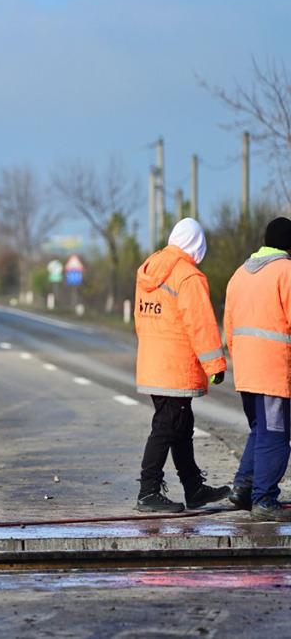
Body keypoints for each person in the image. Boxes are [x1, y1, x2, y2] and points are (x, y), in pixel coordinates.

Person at [133, 217, 231, 513]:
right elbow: (200, 325)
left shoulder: (148, 270)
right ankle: (148, 491)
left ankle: (193, 488)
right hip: (175, 367)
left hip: (153, 363)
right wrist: (215, 365)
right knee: (167, 426)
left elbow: (142, 320)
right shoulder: (188, 277)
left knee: (181, 425)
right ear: (196, 245)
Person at [224, 217, 291, 521]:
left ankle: (244, 487)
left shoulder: (240, 274)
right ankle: (264, 499)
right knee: (275, 435)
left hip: (246, 369)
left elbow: (229, 326)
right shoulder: (286, 271)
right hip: (273, 371)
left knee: (260, 430)